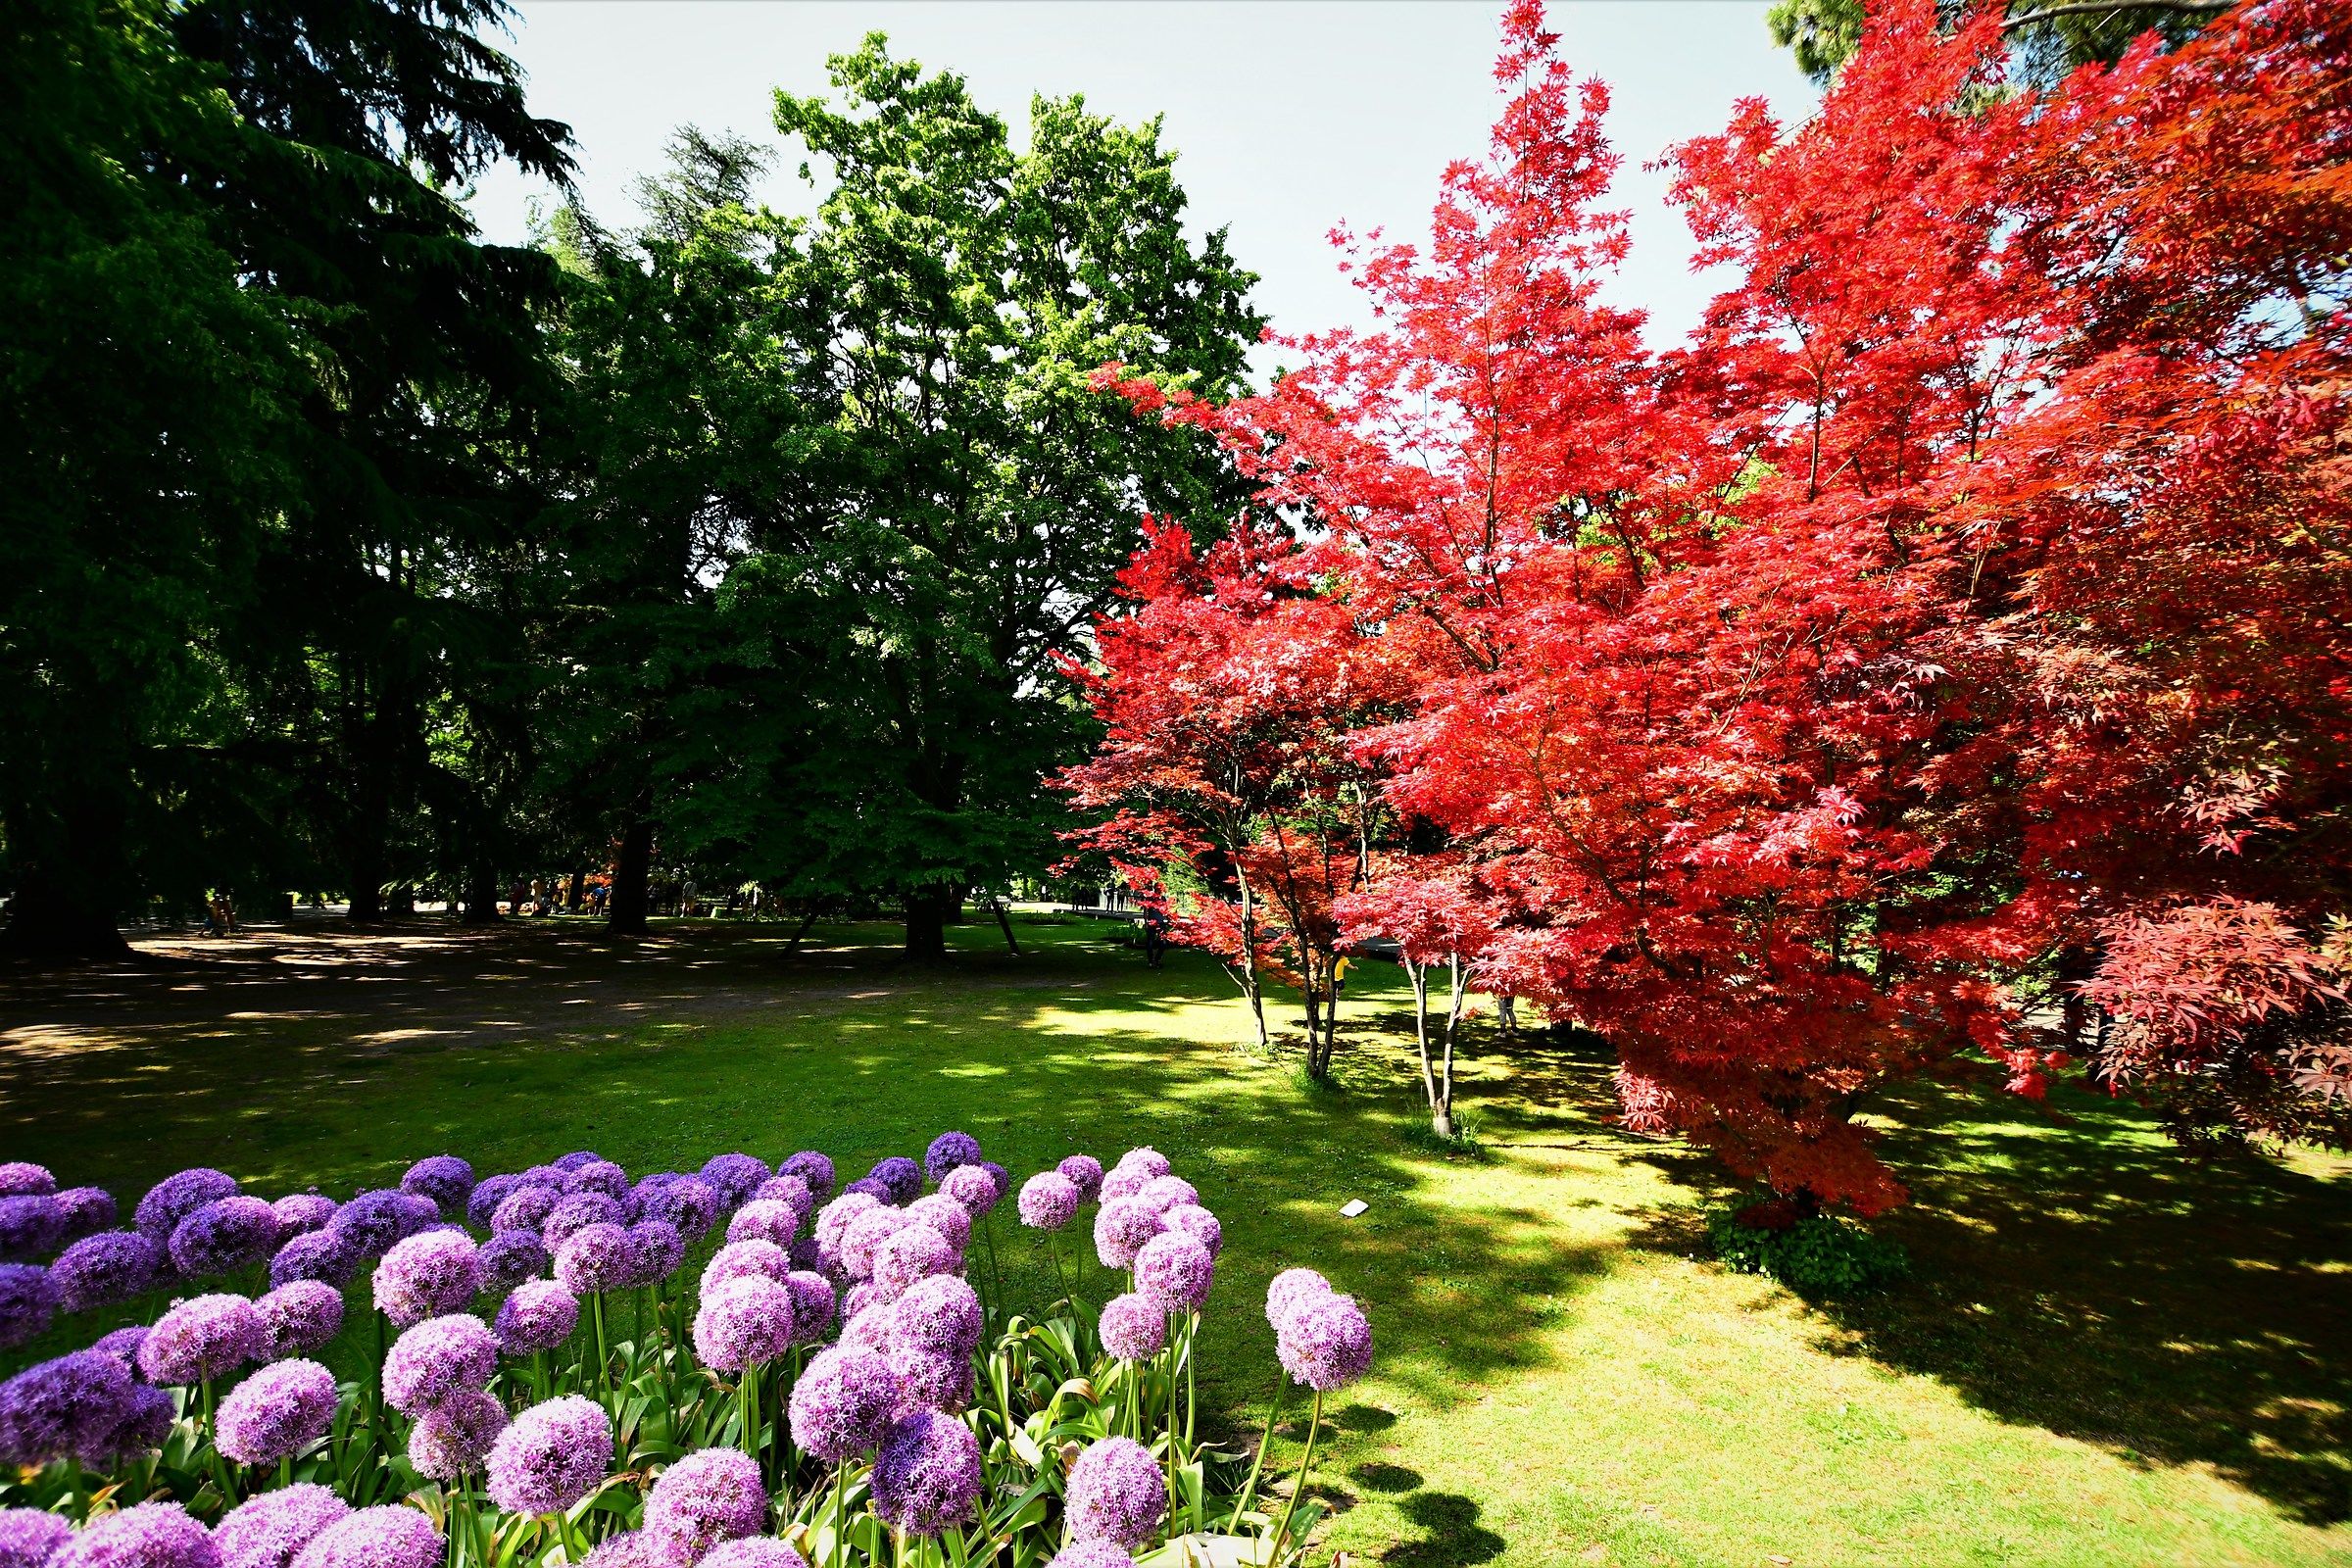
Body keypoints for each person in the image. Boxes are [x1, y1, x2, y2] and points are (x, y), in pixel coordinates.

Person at [1141, 905, 1168, 969]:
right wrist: (1146, 922)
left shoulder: (1162, 898)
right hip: (1151, 923)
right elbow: (1145, 911)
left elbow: (1166, 910)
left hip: (1161, 923)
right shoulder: (1150, 898)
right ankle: (1151, 961)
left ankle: (1156, 959)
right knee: (1150, 942)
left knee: (1163, 943)